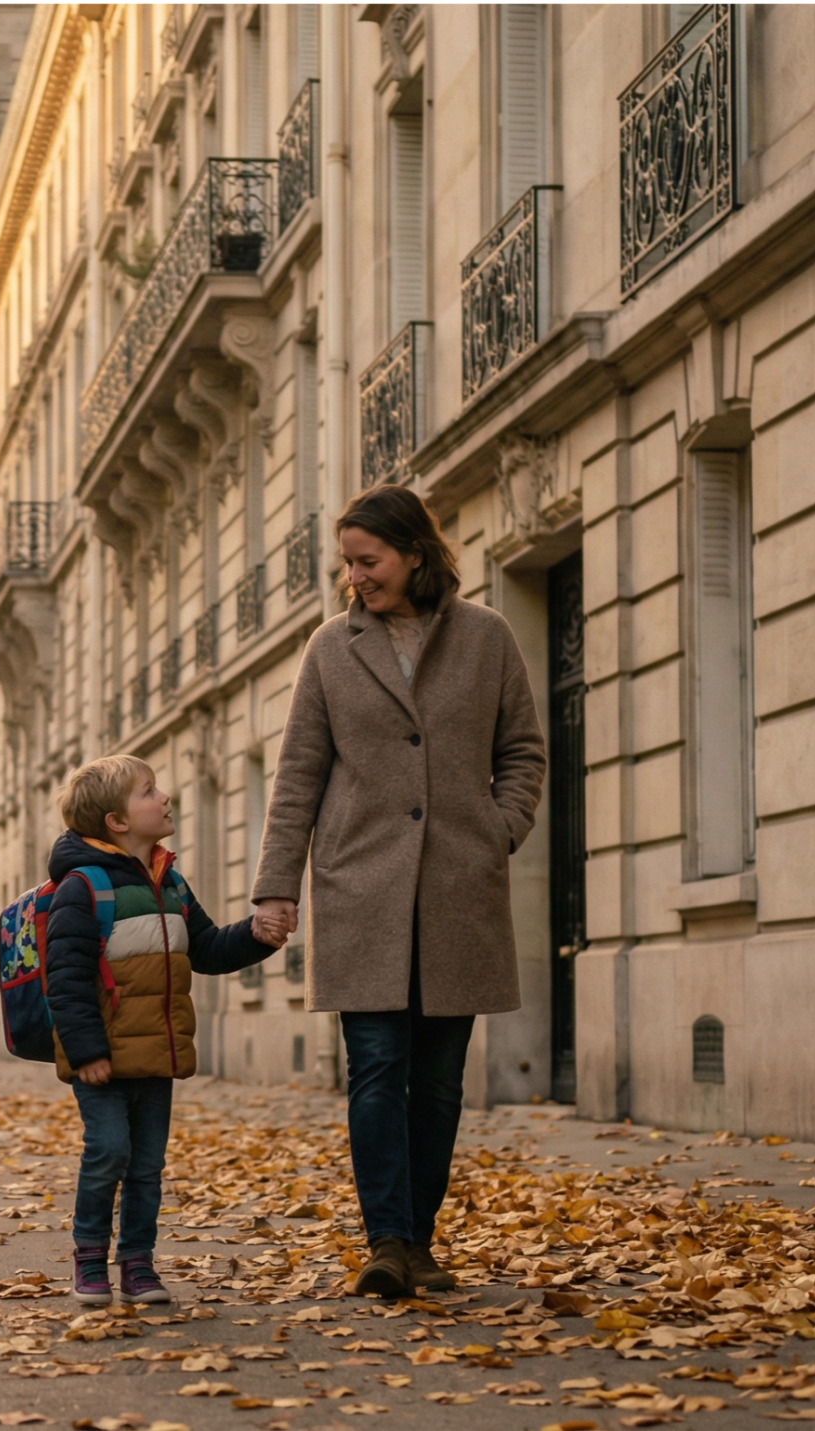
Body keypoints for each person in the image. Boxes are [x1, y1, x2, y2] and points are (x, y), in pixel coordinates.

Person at [251, 483, 546, 1299]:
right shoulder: (329, 649)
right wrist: (277, 888)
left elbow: (523, 749)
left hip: (458, 886)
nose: (356, 577)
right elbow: (297, 777)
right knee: (377, 1066)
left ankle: (418, 1239)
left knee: (441, 1080)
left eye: (367, 560)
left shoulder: (487, 637)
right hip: (361, 888)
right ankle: (386, 1239)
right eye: (347, 563)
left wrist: (499, 825)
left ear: (415, 552)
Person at [45, 754, 284, 1306]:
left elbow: (205, 948)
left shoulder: (169, 881)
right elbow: (66, 976)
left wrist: (255, 934)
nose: (165, 797)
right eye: (149, 791)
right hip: (102, 1056)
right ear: (117, 822)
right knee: (107, 1151)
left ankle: (138, 1263)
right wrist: (85, 1051)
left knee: (147, 1165)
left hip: (159, 1049)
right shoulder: (82, 888)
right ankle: (88, 1259)